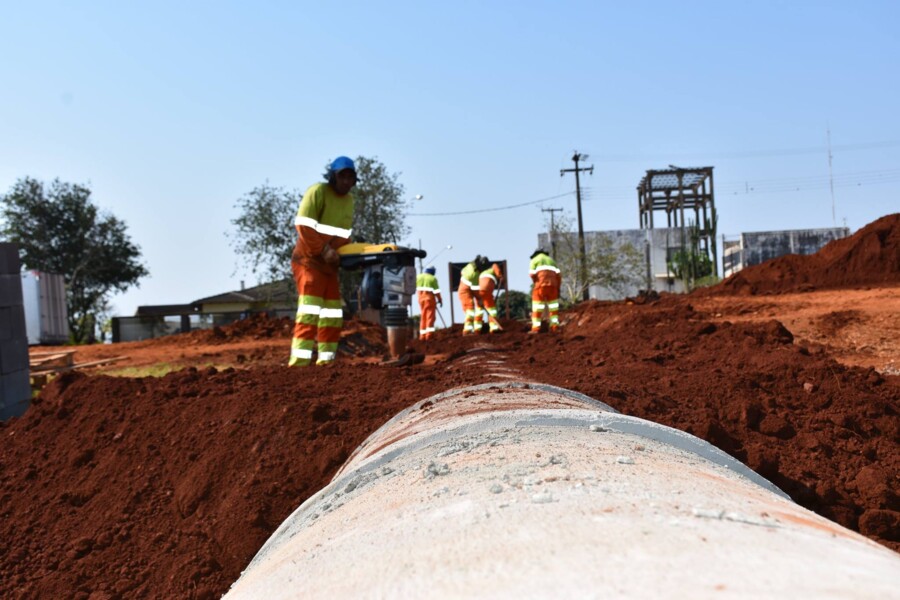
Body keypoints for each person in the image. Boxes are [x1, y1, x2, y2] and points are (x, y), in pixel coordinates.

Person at [288, 156, 357, 366]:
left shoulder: (349, 201)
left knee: (332, 314)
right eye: (342, 176)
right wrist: (324, 250)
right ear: (332, 177)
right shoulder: (318, 191)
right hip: (309, 261)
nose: (346, 181)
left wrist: (349, 253)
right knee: (309, 311)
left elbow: (344, 235)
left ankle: (326, 362)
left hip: (330, 266)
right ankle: (299, 363)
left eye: (350, 177)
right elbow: (303, 226)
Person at [529, 248, 561, 333]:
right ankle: (555, 327)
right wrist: (558, 288)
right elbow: (559, 276)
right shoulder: (552, 261)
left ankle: (536, 328)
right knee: (553, 308)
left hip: (540, 286)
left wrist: (536, 282)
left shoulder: (534, 260)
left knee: (537, 307)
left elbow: (532, 274)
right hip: (553, 286)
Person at [458, 255, 489, 335]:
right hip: (464, 290)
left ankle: (477, 328)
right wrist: (480, 299)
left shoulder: (471, 265)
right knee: (470, 309)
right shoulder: (474, 274)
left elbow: (462, 271)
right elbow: (476, 291)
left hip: (469, 286)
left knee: (478, 307)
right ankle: (467, 331)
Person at [416, 266, 443, 340]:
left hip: (420, 299)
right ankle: (429, 335)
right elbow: (436, 291)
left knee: (423, 316)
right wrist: (440, 299)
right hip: (429, 299)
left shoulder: (419, 277)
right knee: (430, 316)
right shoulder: (432, 278)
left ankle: (422, 335)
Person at [478, 262, 504, 333]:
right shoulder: (493, 267)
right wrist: (500, 276)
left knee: (479, 310)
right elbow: (496, 268)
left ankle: (477, 329)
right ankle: (494, 328)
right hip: (486, 291)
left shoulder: (481, 273)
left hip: (478, 292)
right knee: (491, 309)